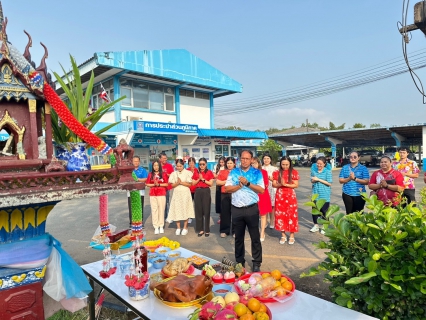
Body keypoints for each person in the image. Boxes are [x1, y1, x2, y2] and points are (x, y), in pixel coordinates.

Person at [225, 150, 264, 272]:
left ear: (252, 159)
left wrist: (247, 183)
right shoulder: (234, 172)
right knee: (238, 238)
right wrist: (238, 186)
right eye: (242, 158)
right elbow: (227, 188)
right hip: (237, 209)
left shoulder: (257, 173)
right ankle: (240, 262)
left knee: (255, 237)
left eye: (247, 158)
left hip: (251, 209)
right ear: (239, 159)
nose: (245, 161)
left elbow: (261, 190)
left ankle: (256, 262)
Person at [272, 156, 299, 245]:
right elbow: (274, 184)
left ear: (290, 163)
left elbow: (295, 185)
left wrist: (285, 184)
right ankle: (283, 235)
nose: (285, 166)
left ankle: (292, 236)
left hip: (290, 195)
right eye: (283, 164)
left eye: (287, 164)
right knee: (280, 215)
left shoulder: (294, 172)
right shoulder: (276, 172)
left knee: (291, 215)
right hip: (280, 196)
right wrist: (280, 184)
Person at [167, 159, 195, 235]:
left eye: (180, 166)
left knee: (185, 209)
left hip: (185, 194)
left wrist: (181, 182)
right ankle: (178, 227)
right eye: (177, 166)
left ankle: (185, 227)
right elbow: (172, 185)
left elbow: (190, 184)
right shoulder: (173, 173)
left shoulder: (188, 173)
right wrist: (177, 183)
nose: (179, 167)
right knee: (177, 209)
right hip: (177, 194)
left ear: (183, 165)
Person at [251, 157, 272, 242]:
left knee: (263, 215)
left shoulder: (263, 172)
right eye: (251, 163)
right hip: (251, 195)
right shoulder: (247, 173)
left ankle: (262, 232)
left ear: (258, 163)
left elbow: (265, 184)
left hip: (262, 195)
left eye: (255, 163)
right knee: (253, 215)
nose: (253, 165)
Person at [145, 160, 168, 234]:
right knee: (154, 210)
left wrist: (159, 185)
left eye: (157, 165)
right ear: (152, 166)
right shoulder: (150, 174)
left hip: (161, 193)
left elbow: (167, 184)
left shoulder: (163, 174)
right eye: (154, 165)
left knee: (161, 210)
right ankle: (156, 227)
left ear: (159, 166)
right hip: (153, 194)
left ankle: (161, 226)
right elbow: (147, 184)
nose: (156, 167)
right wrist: (154, 185)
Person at [310, 156, 332, 234]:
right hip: (315, 194)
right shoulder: (314, 170)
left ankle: (324, 227)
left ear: (324, 164)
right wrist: (313, 180)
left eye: (320, 164)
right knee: (314, 210)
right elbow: (311, 181)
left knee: (324, 211)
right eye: (317, 163)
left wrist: (318, 179)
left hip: (324, 195)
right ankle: (315, 225)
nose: (319, 165)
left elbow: (329, 183)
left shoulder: (327, 171)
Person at [193, 158, 214, 237]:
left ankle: (207, 229)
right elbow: (193, 183)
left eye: (203, 164)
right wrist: (199, 178)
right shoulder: (196, 172)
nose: (201, 166)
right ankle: (200, 229)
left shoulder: (209, 172)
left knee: (206, 210)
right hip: (198, 191)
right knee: (198, 211)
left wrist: (203, 179)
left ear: (206, 164)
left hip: (206, 191)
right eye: (200, 164)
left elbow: (211, 184)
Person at [217, 157, 236, 238]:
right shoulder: (222, 172)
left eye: (231, 163)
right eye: (228, 163)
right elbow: (218, 182)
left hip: (235, 194)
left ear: (234, 164)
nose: (229, 165)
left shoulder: (237, 172)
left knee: (235, 213)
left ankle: (235, 231)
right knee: (225, 213)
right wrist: (227, 181)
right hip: (224, 194)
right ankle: (224, 230)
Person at [127, 156, 148, 227]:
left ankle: (140, 223)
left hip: (140, 192)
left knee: (140, 207)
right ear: (132, 162)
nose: (136, 162)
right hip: (130, 192)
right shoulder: (129, 171)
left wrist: (137, 179)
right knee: (131, 208)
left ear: (139, 162)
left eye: (137, 161)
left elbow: (145, 179)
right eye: (134, 161)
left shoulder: (143, 170)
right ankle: (131, 223)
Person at [261, 153, 277, 230]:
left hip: (272, 188)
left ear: (270, 160)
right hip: (263, 189)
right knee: (264, 205)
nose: (266, 160)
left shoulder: (274, 169)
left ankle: (272, 221)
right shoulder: (260, 168)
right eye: (264, 158)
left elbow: (277, 180)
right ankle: (265, 221)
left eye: (268, 158)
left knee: (272, 206)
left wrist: (272, 179)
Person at [159, 153, 174, 220]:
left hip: (167, 187)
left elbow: (173, 175)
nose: (166, 159)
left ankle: (166, 216)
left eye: (166, 158)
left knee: (166, 202)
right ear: (160, 159)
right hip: (158, 187)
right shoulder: (157, 165)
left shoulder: (169, 166)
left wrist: (166, 174)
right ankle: (160, 216)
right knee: (159, 202)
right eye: (164, 158)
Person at [186, 157, 199, 223]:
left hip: (196, 190)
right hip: (189, 190)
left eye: (192, 163)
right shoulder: (186, 170)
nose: (191, 164)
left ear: (195, 163)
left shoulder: (197, 170)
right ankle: (189, 217)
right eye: (190, 163)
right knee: (189, 204)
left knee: (197, 204)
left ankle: (198, 217)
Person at [214, 157, 226, 224]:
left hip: (225, 185)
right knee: (219, 201)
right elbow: (214, 175)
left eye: (223, 162)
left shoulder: (226, 167)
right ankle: (220, 217)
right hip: (218, 185)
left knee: (224, 201)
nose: (221, 163)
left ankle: (225, 217)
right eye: (220, 162)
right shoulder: (216, 167)